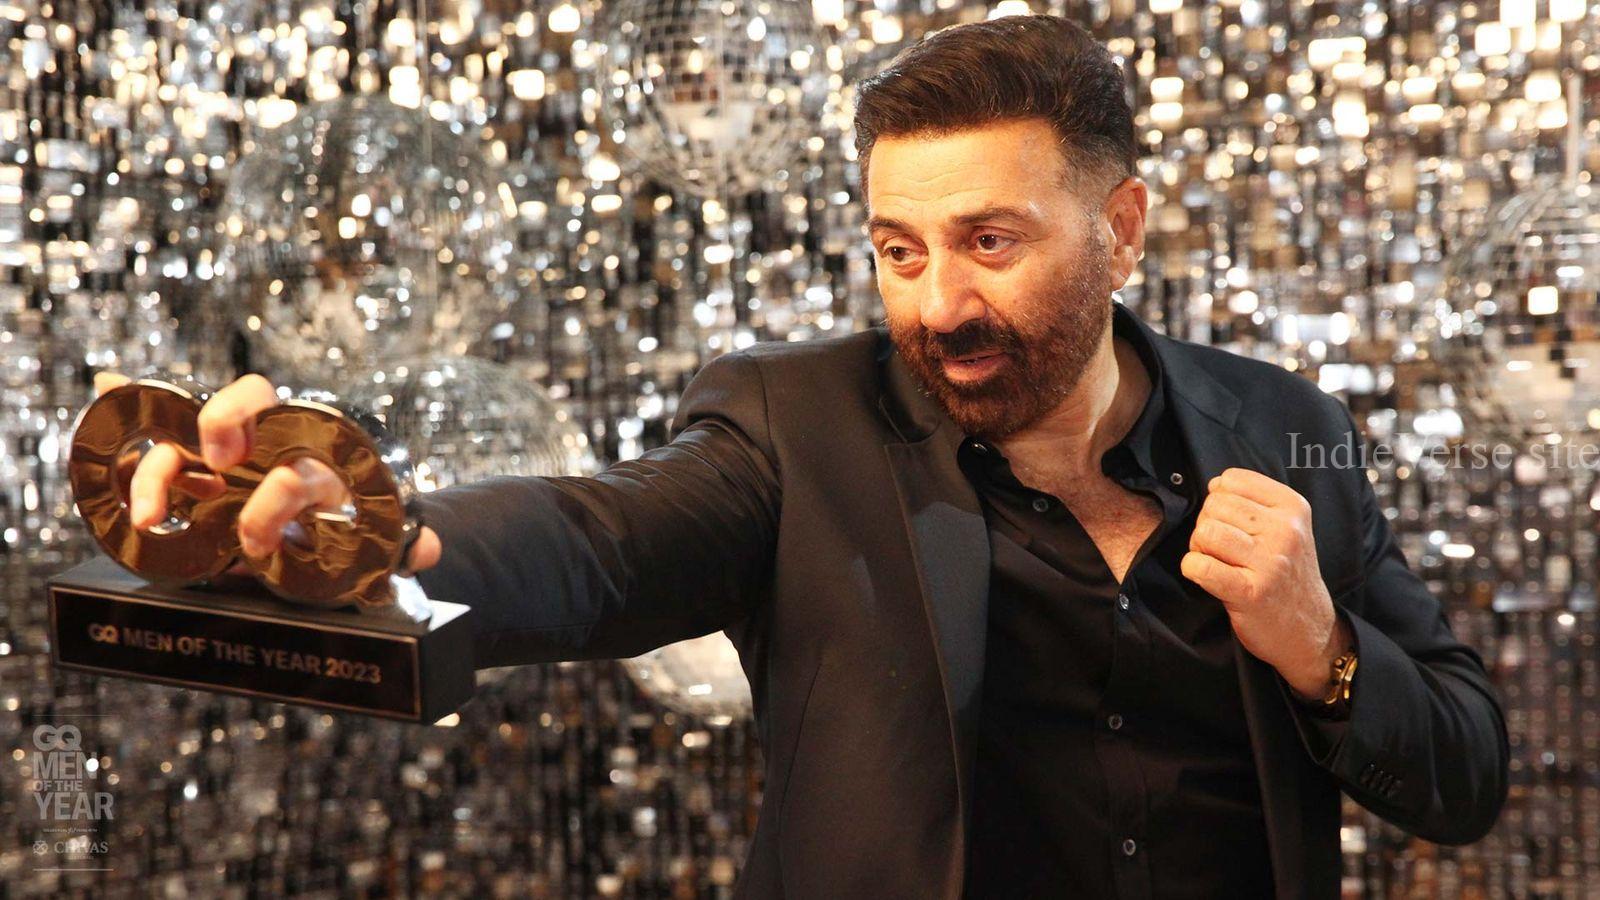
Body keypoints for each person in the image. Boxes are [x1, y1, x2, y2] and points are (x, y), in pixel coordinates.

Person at [100, 14, 1507, 899]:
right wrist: (380, 531)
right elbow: (603, 542)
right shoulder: (797, 425)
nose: (938, 305)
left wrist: (1324, 652)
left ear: (1121, 227)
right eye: (900, 249)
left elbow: (1464, 777)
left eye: (990, 241)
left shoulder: (1285, 427)